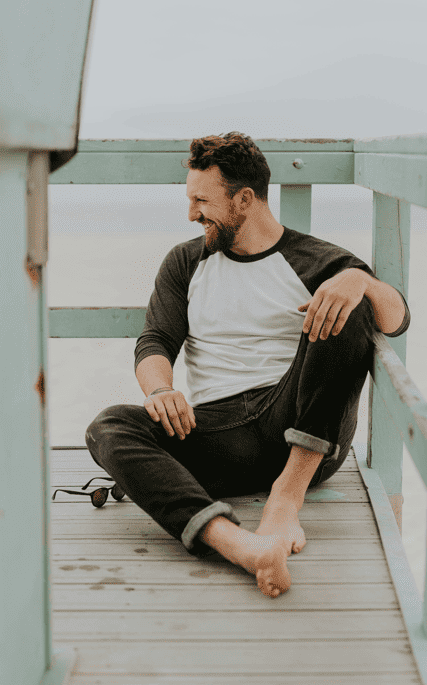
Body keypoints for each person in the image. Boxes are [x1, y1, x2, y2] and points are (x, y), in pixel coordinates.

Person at [85, 131, 410, 599]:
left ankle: (285, 498)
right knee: (109, 426)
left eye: (201, 200)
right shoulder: (184, 262)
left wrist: (359, 279)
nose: (192, 213)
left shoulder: (317, 260)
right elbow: (155, 340)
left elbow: (396, 320)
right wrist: (160, 391)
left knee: (350, 303)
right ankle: (238, 544)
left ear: (244, 199)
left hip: (301, 425)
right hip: (219, 431)